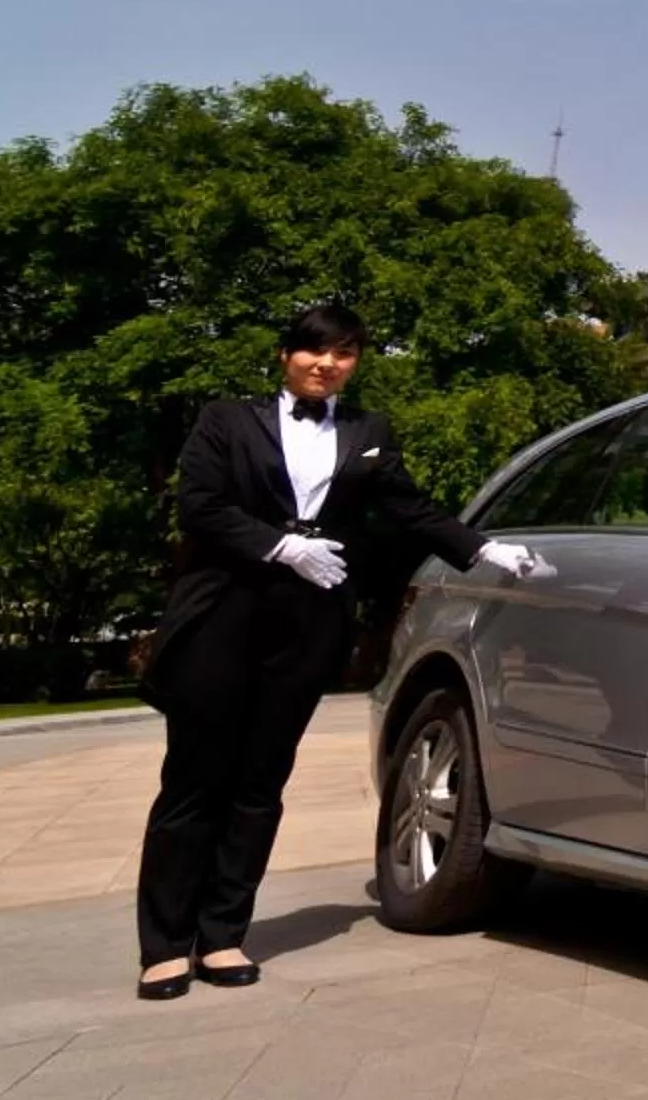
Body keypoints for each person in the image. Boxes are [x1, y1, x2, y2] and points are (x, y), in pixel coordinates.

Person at [132, 301, 544, 999]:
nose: (327, 364)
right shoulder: (226, 421)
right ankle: (166, 945)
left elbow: (407, 507)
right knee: (196, 781)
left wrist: (480, 548)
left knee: (262, 784)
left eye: (344, 353)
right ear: (286, 354)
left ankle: (225, 935)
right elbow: (199, 506)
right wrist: (281, 544)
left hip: (305, 626)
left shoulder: (368, 431)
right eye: (314, 351)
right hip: (219, 618)